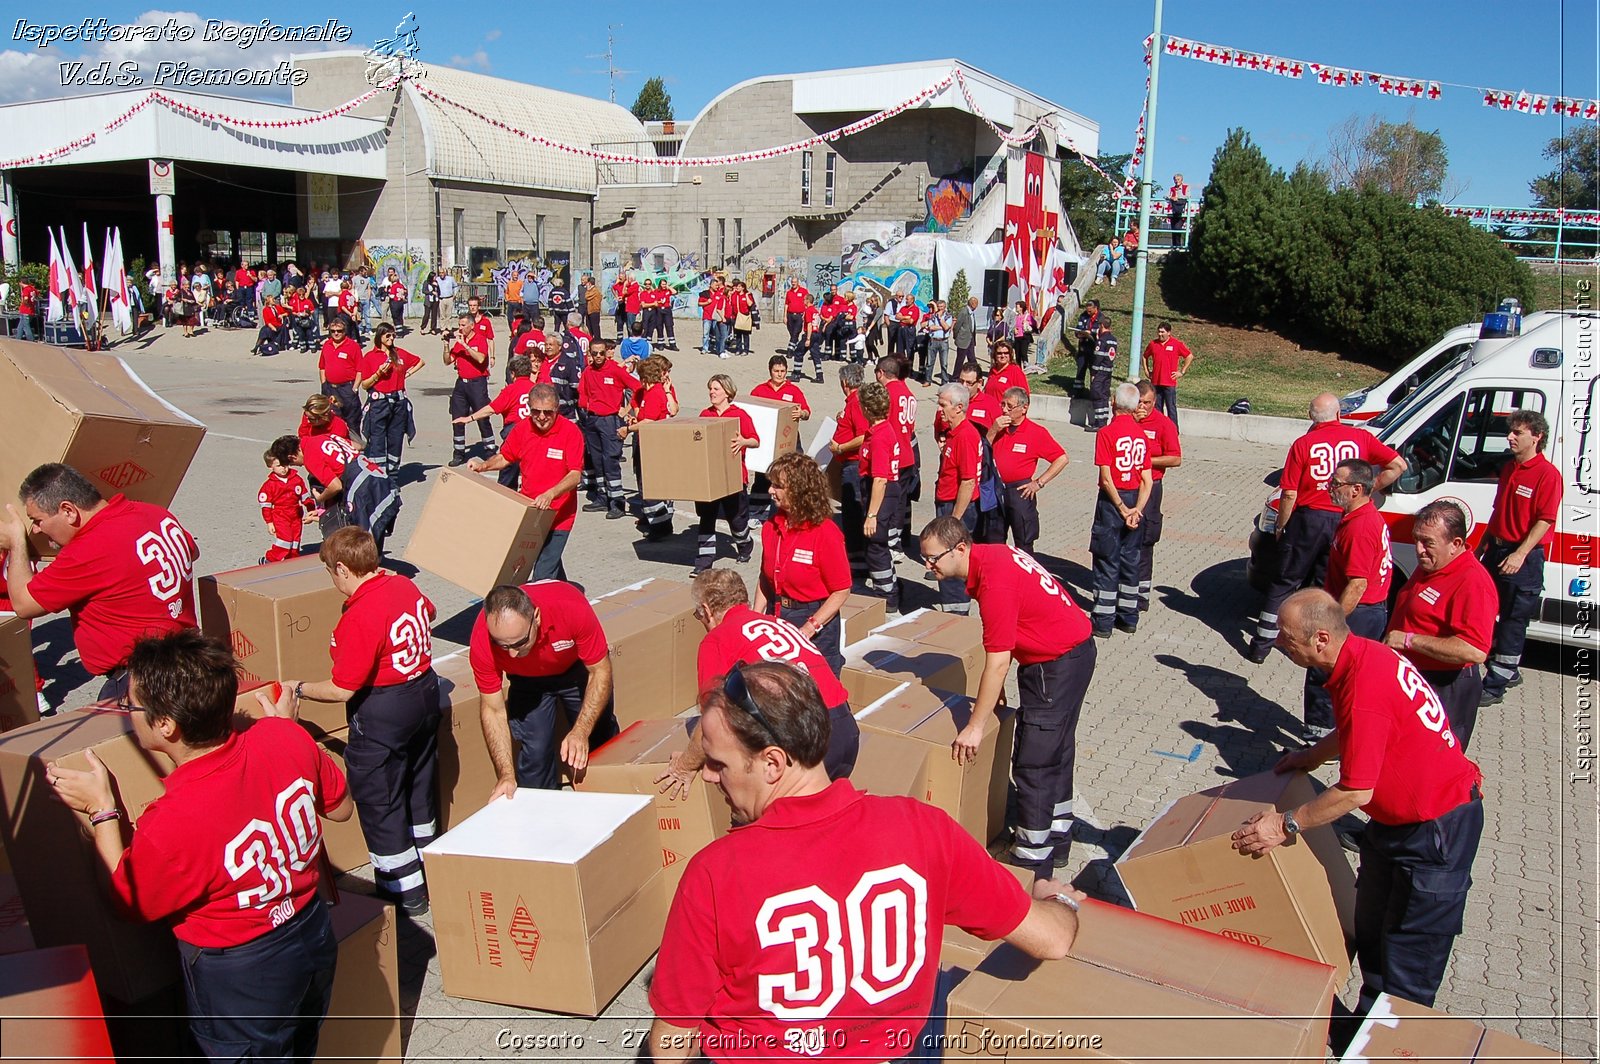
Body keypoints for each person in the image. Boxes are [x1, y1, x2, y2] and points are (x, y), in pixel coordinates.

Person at [647, 660, 1082, 1064]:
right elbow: (1052, 940)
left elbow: (674, 1033)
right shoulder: (923, 828)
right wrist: (1059, 901)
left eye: (718, 763)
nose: (707, 774)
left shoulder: (715, 872)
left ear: (773, 763)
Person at [46, 630, 351, 1061]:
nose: (126, 713)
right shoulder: (285, 736)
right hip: (312, 931)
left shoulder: (173, 817)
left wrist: (102, 811)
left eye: (130, 705)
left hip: (243, 974)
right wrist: (289, 737)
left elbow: (128, 902)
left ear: (166, 724)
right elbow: (340, 811)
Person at [1233, 589, 1484, 1043]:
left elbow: (1354, 791)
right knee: (1373, 932)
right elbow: (1355, 728)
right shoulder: (1361, 658)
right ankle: (1360, 1034)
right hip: (1395, 827)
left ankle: (1390, 1044)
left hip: (1436, 832)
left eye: (1288, 639)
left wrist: (1284, 824)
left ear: (1322, 639)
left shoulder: (1366, 680)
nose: (1279, 644)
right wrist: (1310, 756)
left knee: (1409, 960)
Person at [921, 516, 1097, 877]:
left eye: (933, 558)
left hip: (1054, 666)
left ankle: (1032, 860)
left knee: (1034, 761)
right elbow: (1006, 644)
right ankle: (1058, 833)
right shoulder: (995, 555)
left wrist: (975, 725)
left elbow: (998, 662)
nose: (927, 566)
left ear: (960, 549)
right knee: (1058, 749)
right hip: (1073, 651)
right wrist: (996, 692)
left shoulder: (994, 584)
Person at [285, 527, 439, 914]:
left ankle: (404, 889)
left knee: (379, 797)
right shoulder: (402, 585)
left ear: (342, 568)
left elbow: (342, 689)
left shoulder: (361, 613)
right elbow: (430, 611)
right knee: (418, 785)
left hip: (384, 708)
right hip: (423, 691)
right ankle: (430, 864)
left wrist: (298, 688)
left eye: (329, 572)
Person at [0, 463, 198, 700]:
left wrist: (16, 543)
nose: (36, 530)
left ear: (68, 511)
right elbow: (192, 550)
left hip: (144, 683)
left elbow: (23, 604)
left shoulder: (89, 550)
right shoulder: (153, 512)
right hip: (189, 658)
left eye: (38, 520)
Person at [659, 570, 859, 791]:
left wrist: (685, 766)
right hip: (845, 728)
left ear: (706, 610)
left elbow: (713, 716)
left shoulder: (717, 639)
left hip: (805, 740)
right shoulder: (780, 624)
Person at [1247, 393, 1406, 664]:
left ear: (1311, 418)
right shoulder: (1361, 438)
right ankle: (1315, 642)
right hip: (1341, 519)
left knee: (1285, 580)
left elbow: (1289, 493)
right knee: (1326, 586)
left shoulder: (1304, 443)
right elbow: (1398, 465)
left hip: (1309, 520)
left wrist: (1282, 526)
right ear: (1340, 415)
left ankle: (1261, 644)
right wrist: (1368, 490)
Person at [470, 582, 620, 793]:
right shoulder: (482, 639)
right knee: (535, 751)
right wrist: (505, 774)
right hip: (527, 681)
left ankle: (616, 794)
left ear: (536, 617)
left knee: (599, 734)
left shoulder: (570, 608)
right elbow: (493, 709)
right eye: (503, 646)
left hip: (575, 670)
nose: (512, 654)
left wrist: (581, 731)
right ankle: (540, 811)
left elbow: (600, 671)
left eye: (519, 642)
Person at [1384, 501, 1496, 749]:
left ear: (1455, 544)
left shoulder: (1472, 582)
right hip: (1415, 679)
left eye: (1428, 542)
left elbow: (1475, 650)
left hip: (1446, 687)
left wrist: (1408, 640)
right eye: (1416, 540)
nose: (1419, 549)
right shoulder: (1433, 565)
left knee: (1433, 762)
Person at [1302, 459, 1394, 740]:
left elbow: (1357, 584)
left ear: (1356, 489)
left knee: (1327, 671)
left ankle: (1319, 737)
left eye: (1337, 484)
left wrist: (1334, 622)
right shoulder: (1361, 517)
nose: (1330, 487)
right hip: (1367, 611)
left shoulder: (1360, 528)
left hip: (1359, 613)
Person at [1478, 409, 1562, 707]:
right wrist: (1484, 544)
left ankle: (1496, 683)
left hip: (1522, 557)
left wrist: (1520, 553)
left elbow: (1545, 520)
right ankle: (1506, 670)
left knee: (1513, 619)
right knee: (1484, 609)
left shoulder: (1547, 475)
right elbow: (1498, 510)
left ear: (1537, 437)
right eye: (1510, 431)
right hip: (1497, 550)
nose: (1510, 437)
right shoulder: (1510, 468)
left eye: (1518, 433)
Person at [472, 383, 584, 580]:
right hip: (532, 513)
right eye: (536, 411)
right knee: (549, 565)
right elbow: (505, 457)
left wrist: (550, 494)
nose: (541, 417)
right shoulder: (522, 429)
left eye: (547, 412)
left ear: (557, 409)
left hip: (559, 516)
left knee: (542, 575)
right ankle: (566, 597)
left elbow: (575, 475)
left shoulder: (571, 432)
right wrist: (483, 466)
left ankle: (548, 606)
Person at [753, 453, 852, 673]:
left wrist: (809, 628)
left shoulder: (825, 533)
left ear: (798, 491)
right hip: (778, 612)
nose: (770, 490)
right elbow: (765, 577)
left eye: (778, 486)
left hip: (815, 620)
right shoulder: (771, 527)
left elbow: (841, 590)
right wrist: (757, 617)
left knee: (818, 690)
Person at [1090, 384, 1151, 637]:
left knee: (1107, 559)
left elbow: (1106, 478)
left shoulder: (1106, 433)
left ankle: (1103, 620)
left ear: (1114, 402)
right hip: (1135, 499)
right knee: (1131, 559)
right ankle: (1128, 617)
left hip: (1112, 503)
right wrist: (1137, 509)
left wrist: (1122, 508)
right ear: (1136, 406)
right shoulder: (1142, 436)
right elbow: (1147, 479)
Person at [294, 425, 402, 553]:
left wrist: (320, 497)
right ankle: (374, 560)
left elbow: (335, 486)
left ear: (292, 457)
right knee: (376, 525)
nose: (299, 465)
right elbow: (359, 446)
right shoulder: (326, 437)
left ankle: (365, 564)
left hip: (360, 488)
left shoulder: (310, 457)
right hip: (377, 477)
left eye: (293, 463)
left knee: (362, 535)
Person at [988, 387, 1068, 555]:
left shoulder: (1036, 432)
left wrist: (1039, 483)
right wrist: (993, 430)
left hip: (1020, 492)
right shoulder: (997, 428)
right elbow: (982, 451)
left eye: (1009, 406)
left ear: (1024, 408)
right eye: (1002, 404)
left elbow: (1061, 458)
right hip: (996, 490)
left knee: (1024, 542)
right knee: (993, 541)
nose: (1004, 410)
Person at [695, 375, 760, 572]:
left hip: (733, 477)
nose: (712, 392)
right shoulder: (705, 414)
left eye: (716, 389)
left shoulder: (740, 415)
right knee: (707, 518)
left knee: (736, 520)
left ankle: (745, 544)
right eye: (710, 388)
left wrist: (743, 441)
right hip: (709, 477)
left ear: (727, 392)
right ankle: (703, 563)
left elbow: (756, 440)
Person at [576, 338, 639, 520]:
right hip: (592, 420)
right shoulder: (588, 372)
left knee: (610, 459)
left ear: (607, 353)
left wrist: (625, 411)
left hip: (610, 420)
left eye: (601, 353)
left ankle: (617, 501)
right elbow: (583, 394)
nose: (597, 356)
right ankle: (602, 497)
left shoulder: (615, 370)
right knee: (597, 459)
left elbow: (638, 388)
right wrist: (587, 408)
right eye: (594, 353)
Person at [1133, 380, 1182, 612]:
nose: (1142, 407)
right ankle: (1124, 588)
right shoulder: (1126, 421)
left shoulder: (1164, 424)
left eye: (1148, 403)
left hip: (1151, 487)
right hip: (1126, 487)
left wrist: (1145, 461)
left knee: (1145, 539)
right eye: (1139, 402)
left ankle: (1142, 595)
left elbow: (1175, 458)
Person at [932, 383, 981, 612]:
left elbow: (968, 481)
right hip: (948, 504)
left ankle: (956, 613)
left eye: (943, 405)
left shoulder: (965, 436)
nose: (940, 409)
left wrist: (954, 519)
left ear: (959, 407)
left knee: (950, 560)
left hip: (956, 508)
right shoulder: (953, 433)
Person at [621, 355, 680, 541]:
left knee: (651, 485)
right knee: (645, 483)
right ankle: (654, 519)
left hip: (654, 443)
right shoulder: (646, 392)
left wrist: (628, 429)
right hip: (647, 441)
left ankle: (661, 525)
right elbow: (639, 413)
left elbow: (650, 420)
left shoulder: (656, 393)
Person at [858, 382, 905, 612]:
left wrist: (872, 515)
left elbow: (880, 479)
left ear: (867, 409)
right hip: (884, 492)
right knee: (877, 544)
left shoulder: (878, 437)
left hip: (882, 494)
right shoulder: (880, 430)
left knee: (875, 544)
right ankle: (890, 587)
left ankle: (887, 595)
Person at [456, 354, 534, 489]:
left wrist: (469, 418)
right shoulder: (536, 388)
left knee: (507, 476)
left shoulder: (511, 390)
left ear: (512, 373)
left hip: (515, 434)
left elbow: (491, 409)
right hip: (533, 434)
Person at [748, 357, 811, 517]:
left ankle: (791, 509)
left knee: (791, 474)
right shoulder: (759, 390)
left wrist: (801, 413)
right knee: (763, 476)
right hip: (766, 441)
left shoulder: (793, 390)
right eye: (776, 371)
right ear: (770, 371)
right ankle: (757, 512)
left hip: (788, 439)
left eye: (783, 371)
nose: (780, 374)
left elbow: (807, 412)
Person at [359, 322, 423, 478]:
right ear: (380, 337)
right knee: (377, 441)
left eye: (393, 335)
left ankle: (393, 477)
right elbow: (365, 385)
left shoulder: (399, 353)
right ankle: (379, 478)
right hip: (379, 404)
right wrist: (378, 374)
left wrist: (406, 374)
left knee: (396, 439)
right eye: (388, 335)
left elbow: (420, 362)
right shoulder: (370, 357)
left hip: (399, 403)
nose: (391, 338)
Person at [829, 363, 870, 564]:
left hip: (854, 465)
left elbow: (863, 435)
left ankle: (857, 561)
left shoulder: (856, 403)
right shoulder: (853, 402)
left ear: (844, 382)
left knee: (853, 515)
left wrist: (841, 447)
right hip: (851, 465)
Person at [444, 312, 496, 467]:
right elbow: (447, 361)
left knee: (482, 417)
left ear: (471, 326)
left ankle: (490, 450)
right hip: (462, 383)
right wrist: (446, 344)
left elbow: (481, 358)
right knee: (457, 417)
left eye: (463, 325)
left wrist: (465, 345)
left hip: (477, 383)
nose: (460, 328)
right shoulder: (459, 342)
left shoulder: (479, 339)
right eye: (459, 325)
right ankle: (459, 452)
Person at [258, 437, 317, 563]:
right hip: (280, 515)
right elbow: (265, 505)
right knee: (285, 541)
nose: (283, 468)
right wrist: (269, 522)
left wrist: (311, 510)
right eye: (279, 466)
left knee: (295, 542)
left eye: (285, 464)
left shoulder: (296, 479)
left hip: (296, 514)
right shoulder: (269, 485)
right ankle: (269, 559)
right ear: (270, 466)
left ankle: (292, 562)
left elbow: (305, 496)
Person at [1140, 322, 1192, 426]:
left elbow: (1189, 356)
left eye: (1162, 332)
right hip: (1156, 382)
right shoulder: (1153, 344)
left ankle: (1173, 430)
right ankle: (1158, 428)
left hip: (1169, 382)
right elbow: (1145, 356)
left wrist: (1182, 371)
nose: (1160, 334)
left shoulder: (1176, 344)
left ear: (1169, 332)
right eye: (1158, 332)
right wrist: (1146, 370)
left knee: (1171, 407)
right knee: (1157, 408)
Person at [1087, 322, 1118, 430]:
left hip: (1100, 372)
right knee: (1105, 395)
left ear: (1102, 326)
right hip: (1108, 372)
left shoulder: (1102, 340)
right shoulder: (1113, 339)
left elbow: (1098, 357)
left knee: (1097, 395)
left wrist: (1093, 373)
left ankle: (1098, 423)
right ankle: (1104, 421)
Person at [1072, 302, 1102, 393]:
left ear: (1095, 308)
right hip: (1083, 347)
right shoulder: (1083, 316)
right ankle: (1078, 391)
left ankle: (1093, 392)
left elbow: (1100, 332)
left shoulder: (1101, 318)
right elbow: (1079, 327)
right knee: (1081, 368)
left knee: (1094, 370)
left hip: (1094, 348)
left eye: (1090, 311)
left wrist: (1091, 333)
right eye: (1087, 311)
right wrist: (1079, 334)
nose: (1088, 313)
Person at [923, 299, 953, 384]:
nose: (940, 309)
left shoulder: (948, 316)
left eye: (942, 307)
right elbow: (931, 327)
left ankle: (944, 381)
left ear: (945, 307)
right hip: (933, 340)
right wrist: (942, 327)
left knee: (944, 363)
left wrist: (940, 319)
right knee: (929, 363)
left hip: (943, 341)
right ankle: (927, 380)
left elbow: (947, 327)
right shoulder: (933, 316)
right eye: (939, 307)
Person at [953, 294, 979, 378]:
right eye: (976, 304)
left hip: (970, 339)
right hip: (963, 340)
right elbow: (957, 326)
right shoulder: (964, 312)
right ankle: (955, 377)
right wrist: (956, 337)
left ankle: (976, 375)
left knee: (972, 359)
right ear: (972, 303)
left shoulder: (972, 313)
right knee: (960, 360)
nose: (977, 306)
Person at [783, 277, 809, 362]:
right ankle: (798, 347)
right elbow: (786, 304)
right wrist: (785, 316)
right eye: (792, 282)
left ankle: (790, 351)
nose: (793, 284)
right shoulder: (789, 292)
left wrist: (805, 313)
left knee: (795, 333)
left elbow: (807, 303)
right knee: (792, 334)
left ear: (798, 282)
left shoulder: (803, 291)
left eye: (795, 282)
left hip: (799, 316)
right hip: (790, 315)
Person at [1011, 300, 1036, 368]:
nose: (1016, 308)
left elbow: (1034, 323)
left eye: (1017, 307)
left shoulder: (1027, 316)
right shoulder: (1015, 317)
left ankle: (1026, 367)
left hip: (1025, 337)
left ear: (1021, 308)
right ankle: (1019, 370)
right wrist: (1014, 329)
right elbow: (1012, 325)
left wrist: (1027, 322)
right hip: (1017, 337)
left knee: (1023, 353)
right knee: (1017, 354)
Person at [1167, 173, 1190, 246]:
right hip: (1173, 211)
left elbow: (1188, 196)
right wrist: (1171, 197)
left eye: (1178, 179)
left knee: (1177, 228)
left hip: (1182, 211)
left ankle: (1178, 245)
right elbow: (1166, 196)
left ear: (1182, 180)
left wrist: (1178, 198)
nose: (1176, 181)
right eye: (1175, 180)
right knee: (1173, 229)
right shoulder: (1172, 189)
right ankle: (1174, 246)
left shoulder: (1186, 187)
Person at [582, 273, 603, 339]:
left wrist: (588, 290)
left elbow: (587, 296)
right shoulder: (591, 290)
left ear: (589, 283)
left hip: (594, 311)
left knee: (595, 326)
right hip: (589, 311)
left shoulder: (594, 290)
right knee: (589, 326)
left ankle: (597, 339)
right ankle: (590, 338)